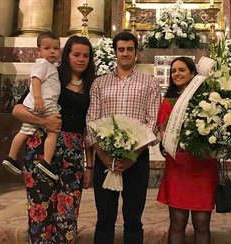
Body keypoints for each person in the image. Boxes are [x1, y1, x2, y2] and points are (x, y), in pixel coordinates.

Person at [12, 35, 95, 244]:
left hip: (74, 154)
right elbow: (17, 110)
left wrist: (89, 166)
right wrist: (44, 122)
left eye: (86, 55)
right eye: (76, 54)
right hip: (42, 149)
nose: (81, 59)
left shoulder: (93, 85)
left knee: (68, 213)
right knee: (40, 209)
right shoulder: (50, 74)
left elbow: (89, 129)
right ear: (66, 55)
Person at [85, 31, 161, 244]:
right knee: (104, 219)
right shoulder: (100, 83)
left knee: (133, 218)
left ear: (136, 53)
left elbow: (152, 122)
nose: (125, 53)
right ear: (115, 52)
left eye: (129, 49)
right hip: (104, 159)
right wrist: (104, 156)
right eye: (121, 49)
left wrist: (132, 155)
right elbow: (92, 120)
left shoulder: (150, 83)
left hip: (136, 159)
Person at [157, 57, 218, 244]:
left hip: (203, 166)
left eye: (182, 70)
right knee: (177, 222)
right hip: (178, 166)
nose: (177, 74)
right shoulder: (168, 102)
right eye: (174, 71)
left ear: (193, 74)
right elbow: (163, 133)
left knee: (202, 223)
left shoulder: (209, 100)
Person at [2, 31, 61, 180]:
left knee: (25, 131)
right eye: (47, 48)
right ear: (39, 51)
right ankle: (47, 162)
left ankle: (11, 157)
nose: (52, 51)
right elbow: (35, 81)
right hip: (46, 104)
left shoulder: (50, 66)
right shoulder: (43, 64)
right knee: (53, 130)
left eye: (56, 48)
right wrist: (38, 99)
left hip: (37, 104)